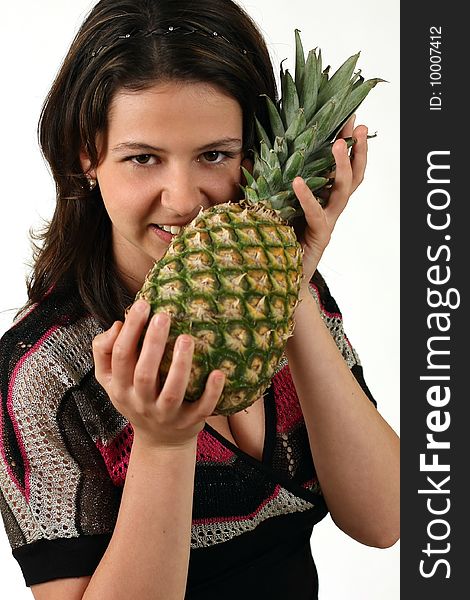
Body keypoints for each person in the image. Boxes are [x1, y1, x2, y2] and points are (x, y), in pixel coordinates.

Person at [0, 0, 400, 598]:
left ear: (255, 151)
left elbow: (384, 518)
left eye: (215, 155)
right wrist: (163, 444)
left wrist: (291, 287)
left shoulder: (291, 295)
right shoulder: (46, 374)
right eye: (143, 158)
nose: (184, 199)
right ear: (88, 155)